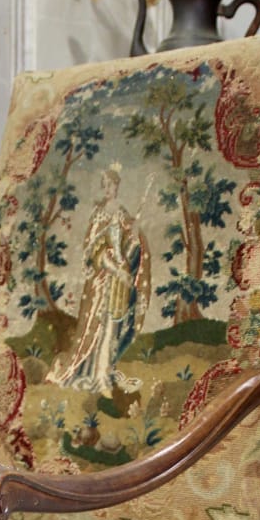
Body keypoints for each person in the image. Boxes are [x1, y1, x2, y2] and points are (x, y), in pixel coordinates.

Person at [46, 166, 150, 392]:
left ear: (117, 186)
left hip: (119, 281)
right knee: (99, 329)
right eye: (104, 185)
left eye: (111, 185)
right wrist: (113, 267)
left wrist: (135, 235)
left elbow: (129, 245)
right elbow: (93, 250)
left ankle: (105, 372)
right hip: (102, 281)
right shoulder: (100, 214)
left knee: (114, 328)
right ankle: (98, 376)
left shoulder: (121, 213)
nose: (107, 189)